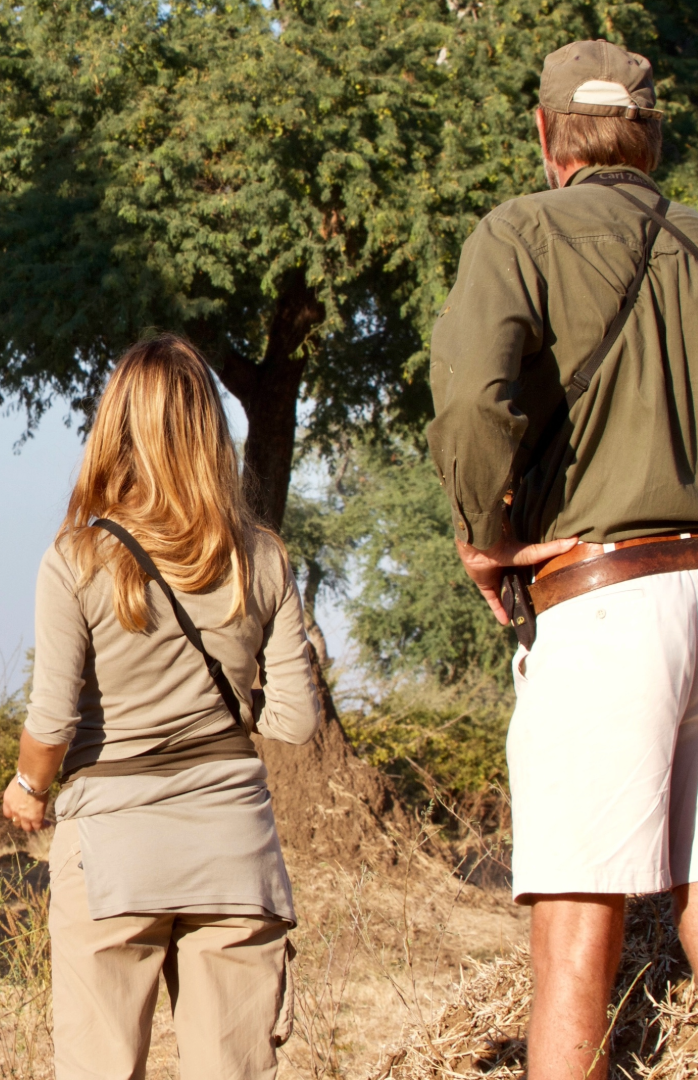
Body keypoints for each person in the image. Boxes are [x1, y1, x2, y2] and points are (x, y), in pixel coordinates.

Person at [425, 38, 698, 1080]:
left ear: (547, 135)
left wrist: (486, 537)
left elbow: (470, 402)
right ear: (653, 137)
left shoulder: (520, 231)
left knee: (576, 935)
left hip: (606, 604)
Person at [0, 334, 324, 1079]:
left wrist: (27, 789)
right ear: (212, 429)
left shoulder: (77, 558)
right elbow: (296, 722)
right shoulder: (264, 556)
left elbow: (51, 723)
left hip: (115, 852)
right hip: (235, 851)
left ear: (115, 430)